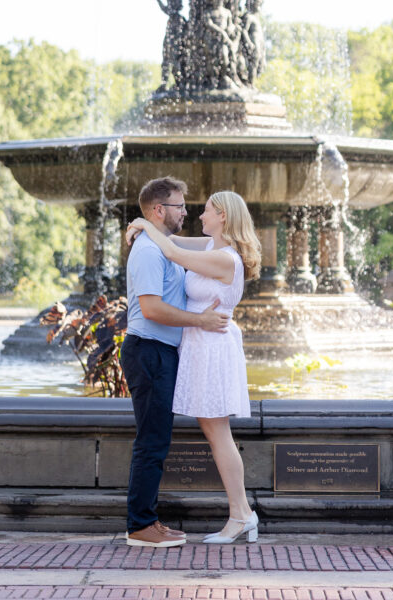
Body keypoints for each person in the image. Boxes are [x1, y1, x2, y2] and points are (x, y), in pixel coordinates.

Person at [127, 190, 261, 544]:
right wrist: (145, 223)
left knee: (219, 433)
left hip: (212, 345)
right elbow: (171, 238)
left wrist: (142, 223)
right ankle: (241, 513)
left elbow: (171, 250)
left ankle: (241, 515)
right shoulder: (207, 249)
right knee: (215, 432)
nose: (198, 216)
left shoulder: (225, 260)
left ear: (224, 218)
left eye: (206, 211)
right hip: (200, 344)